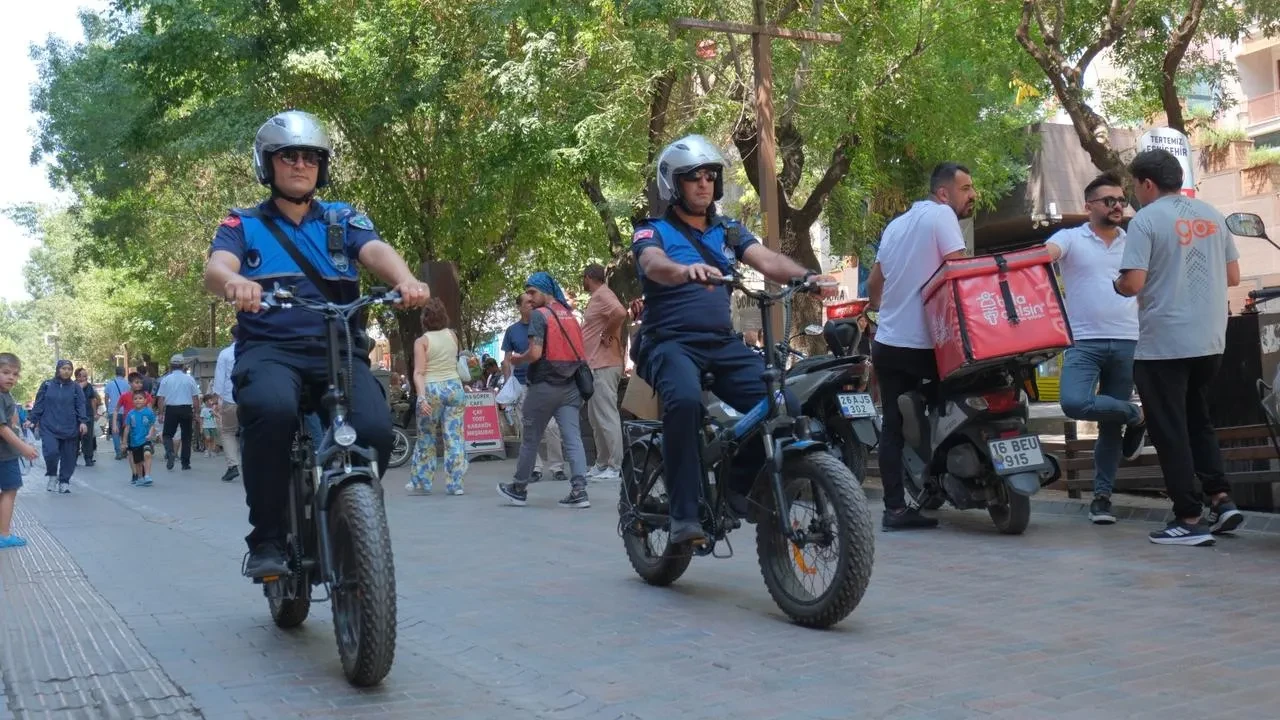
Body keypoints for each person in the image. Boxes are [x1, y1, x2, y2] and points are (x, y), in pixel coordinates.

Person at [204, 109, 430, 578]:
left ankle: (351, 505)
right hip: (270, 349)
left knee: (374, 430)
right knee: (270, 412)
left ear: (321, 166)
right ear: (268, 165)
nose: (300, 165)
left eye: (310, 156)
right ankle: (267, 537)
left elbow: (374, 251)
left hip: (337, 349)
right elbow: (216, 267)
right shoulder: (241, 223)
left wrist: (405, 278)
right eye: (288, 156)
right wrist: (234, 283)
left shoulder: (342, 218)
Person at [628, 135, 837, 544]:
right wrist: (682, 271)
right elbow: (652, 264)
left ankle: (741, 487)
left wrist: (805, 278)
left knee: (783, 402)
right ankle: (683, 516)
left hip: (720, 345)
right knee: (685, 402)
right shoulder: (651, 231)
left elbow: (767, 259)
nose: (704, 184)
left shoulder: (727, 230)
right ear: (674, 184)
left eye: (710, 176)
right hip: (667, 342)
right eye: (693, 178)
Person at [1114, 149, 1243, 546]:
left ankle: (1188, 518)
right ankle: (1221, 500)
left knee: (1169, 430)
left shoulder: (1147, 220)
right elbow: (1234, 277)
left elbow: (1133, 284)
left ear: (1147, 183)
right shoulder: (1210, 214)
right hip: (1209, 342)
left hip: (1164, 344)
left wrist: (1117, 284)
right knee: (1197, 420)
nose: (1134, 193)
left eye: (1135, 185)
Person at [865, 162, 973, 531]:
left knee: (891, 427)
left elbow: (873, 285)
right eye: (966, 188)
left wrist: (886, 308)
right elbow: (959, 273)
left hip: (889, 342)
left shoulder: (895, 226)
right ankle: (950, 476)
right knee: (962, 400)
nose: (971, 195)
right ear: (944, 194)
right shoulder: (943, 216)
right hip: (928, 345)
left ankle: (895, 509)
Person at [1045, 172, 1146, 525]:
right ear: (1089, 206)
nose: (1118, 205)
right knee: (1074, 402)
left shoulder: (1133, 241)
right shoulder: (1071, 238)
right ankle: (1135, 415)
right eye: (1109, 200)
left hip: (1127, 340)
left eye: (1121, 200)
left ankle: (1102, 498)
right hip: (1083, 342)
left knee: (1108, 429)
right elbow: (1047, 255)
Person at [498, 273, 595, 509]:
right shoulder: (570, 315)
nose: (529, 298)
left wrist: (518, 359)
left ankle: (518, 488)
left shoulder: (540, 316)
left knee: (530, 438)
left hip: (543, 386)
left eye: (532, 292)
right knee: (572, 438)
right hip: (571, 386)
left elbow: (535, 353)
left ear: (545, 290)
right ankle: (579, 490)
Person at [501, 294, 566, 482]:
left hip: (544, 382)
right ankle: (536, 467)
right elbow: (507, 360)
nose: (532, 304)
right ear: (520, 308)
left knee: (552, 426)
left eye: (532, 301)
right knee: (529, 427)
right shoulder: (512, 331)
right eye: (528, 302)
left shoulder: (544, 323)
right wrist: (508, 386)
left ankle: (557, 466)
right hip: (522, 384)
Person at [408, 298, 469, 495]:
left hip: (432, 389)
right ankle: (455, 484)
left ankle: (422, 481)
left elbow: (419, 372)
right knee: (454, 437)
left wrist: (421, 397)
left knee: (426, 436)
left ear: (424, 319)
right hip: (454, 388)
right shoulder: (453, 335)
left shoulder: (422, 342)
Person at [581, 263, 628, 482]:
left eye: (583, 278)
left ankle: (615, 465)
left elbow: (619, 312)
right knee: (595, 417)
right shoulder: (598, 296)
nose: (582, 282)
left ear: (589, 277)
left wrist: (607, 333)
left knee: (606, 415)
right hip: (594, 366)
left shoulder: (603, 294)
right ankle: (602, 462)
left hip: (604, 365)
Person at [30, 359, 88, 494]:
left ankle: (64, 481)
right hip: (49, 426)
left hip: (69, 427)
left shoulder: (75, 387)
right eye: (64, 368)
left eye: (69, 369)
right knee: (51, 452)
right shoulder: (47, 385)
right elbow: (39, 404)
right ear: (58, 369)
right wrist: (32, 419)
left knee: (69, 457)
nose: (66, 371)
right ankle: (52, 476)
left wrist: (83, 422)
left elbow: (80, 405)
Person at [0, 353, 40, 548]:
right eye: (6, 372)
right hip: (4, 455)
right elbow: (2, 428)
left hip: (5, 453)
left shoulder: (6, 395)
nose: (11, 378)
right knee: (9, 490)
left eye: (15, 374)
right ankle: (4, 534)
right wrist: (24, 447)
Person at [156, 355, 200, 471]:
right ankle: (185, 463)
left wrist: (160, 413)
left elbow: (161, 398)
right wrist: (196, 413)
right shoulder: (189, 379)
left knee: (167, 435)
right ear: (183, 366)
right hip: (186, 409)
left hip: (171, 409)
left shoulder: (166, 380)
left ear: (171, 366)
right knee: (186, 437)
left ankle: (170, 452)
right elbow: (195, 398)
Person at [213, 326, 241, 482]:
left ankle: (233, 466)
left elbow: (219, 379)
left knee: (228, 432)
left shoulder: (225, 354)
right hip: (253, 400)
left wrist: (217, 400)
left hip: (231, 399)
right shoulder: (254, 350)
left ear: (232, 336)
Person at [114, 373, 154, 484]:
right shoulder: (124, 396)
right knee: (132, 453)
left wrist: (151, 428)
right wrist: (114, 424)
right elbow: (116, 409)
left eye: (141, 382)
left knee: (144, 451)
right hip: (129, 426)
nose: (139, 385)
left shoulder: (145, 395)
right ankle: (135, 474)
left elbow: (150, 410)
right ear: (130, 383)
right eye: (136, 382)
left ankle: (144, 474)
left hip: (143, 428)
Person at [125, 390, 159, 487]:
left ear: (145, 400)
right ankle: (140, 478)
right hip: (134, 442)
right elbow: (127, 428)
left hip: (146, 440)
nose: (138, 400)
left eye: (140, 398)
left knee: (147, 454)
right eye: (135, 399)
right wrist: (124, 442)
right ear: (132, 401)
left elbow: (152, 425)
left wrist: (150, 434)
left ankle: (147, 475)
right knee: (138, 462)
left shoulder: (149, 412)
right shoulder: (130, 414)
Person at [103, 366, 130, 460]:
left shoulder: (110, 384)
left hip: (113, 411)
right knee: (125, 432)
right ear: (124, 373)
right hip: (126, 411)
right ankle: (124, 449)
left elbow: (106, 397)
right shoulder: (128, 384)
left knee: (115, 432)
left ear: (116, 373)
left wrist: (107, 408)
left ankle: (118, 452)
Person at [74, 368, 100, 467]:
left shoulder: (89, 386)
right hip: (75, 416)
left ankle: (88, 458)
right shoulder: (72, 385)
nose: (85, 378)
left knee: (88, 437)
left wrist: (95, 413)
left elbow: (93, 400)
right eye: (83, 376)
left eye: (86, 376)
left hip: (88, 414)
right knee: (75, 438)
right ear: (77, 376)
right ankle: (73, 459)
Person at [200, 393, 220, 458]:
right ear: (204, 402)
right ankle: (206, 450)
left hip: (213, 426)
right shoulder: (203, 410)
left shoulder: (213, 409)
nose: (209, 402)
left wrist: (214, 412)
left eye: (210, 400)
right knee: (207, 438)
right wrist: (201, 427)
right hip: (206, 426)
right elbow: (201, 419)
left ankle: (212, 451)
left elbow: (217, 416)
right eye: (207, 401)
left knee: (213, 439)